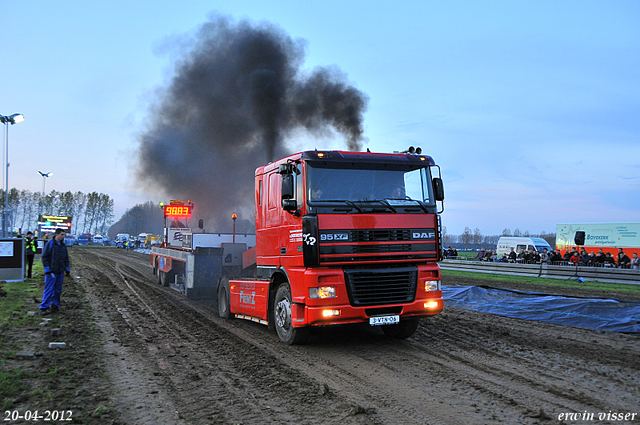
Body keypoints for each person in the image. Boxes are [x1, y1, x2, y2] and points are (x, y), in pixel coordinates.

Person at [39, 229, 70, 314]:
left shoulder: (63, 245)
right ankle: (44, 307)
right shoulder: (50, 244)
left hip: (60, 271)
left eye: (64, 235)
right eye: (62, 235)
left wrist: (66, 268)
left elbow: (66, 258)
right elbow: (44, 257)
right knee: (49, 289)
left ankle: (55, 306)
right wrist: (47, 269)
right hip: (51, 272)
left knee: (58, 290)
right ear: (56, 234)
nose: (63, 236)